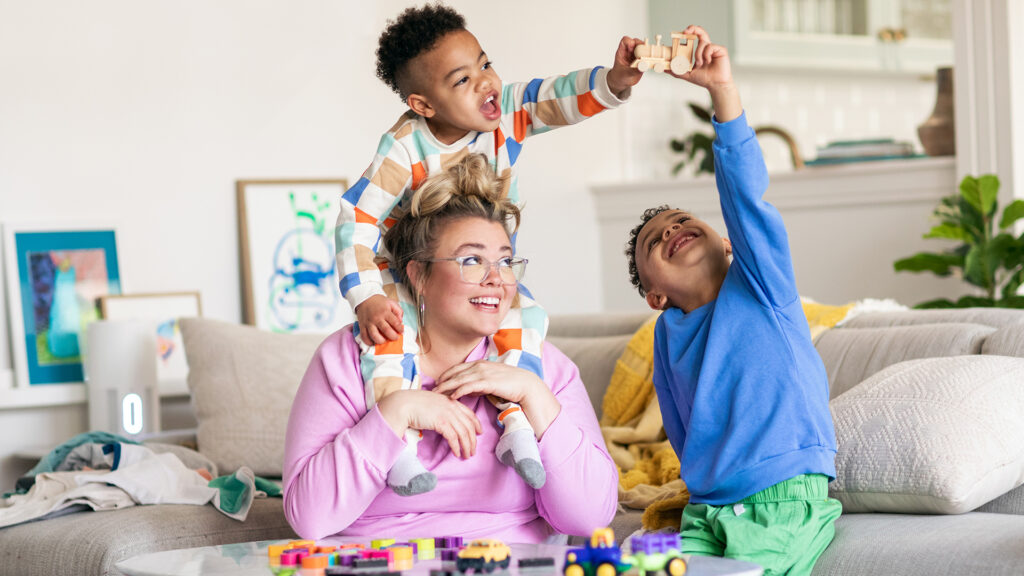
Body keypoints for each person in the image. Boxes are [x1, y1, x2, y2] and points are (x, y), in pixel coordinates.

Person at [336, 3, 642, 496]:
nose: (485, 82)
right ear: (423, 105)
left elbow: (556, 97)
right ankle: (400, 448)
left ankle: (516, 426)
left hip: (480, 271)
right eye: (461, 80)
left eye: (485, 63)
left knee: (526, 320)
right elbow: (358, 217)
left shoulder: (505, 118)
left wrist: (616, 79)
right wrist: (367, 296)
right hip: (408, 271)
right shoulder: (403, 149)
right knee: (390, 341)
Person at [284, 154, 618, 542]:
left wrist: (532, 394)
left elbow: (591, 518)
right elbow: (308, 518)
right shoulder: (348, 359)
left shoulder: (545, 367)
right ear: (419, 274)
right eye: (472, 260)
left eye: (506, 261)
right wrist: (396, 411)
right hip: (379, 562)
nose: (497, 279)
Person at [624, 26, 841, 576]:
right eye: (656, 240)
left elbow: (746, 197)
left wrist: (721, 93)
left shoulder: (762, 285)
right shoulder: (666, 334)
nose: (671, 229)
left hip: (781, 496)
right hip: (706, 506)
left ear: (727, 242)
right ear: (656, 294)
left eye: (682, 220)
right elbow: (681, 424)